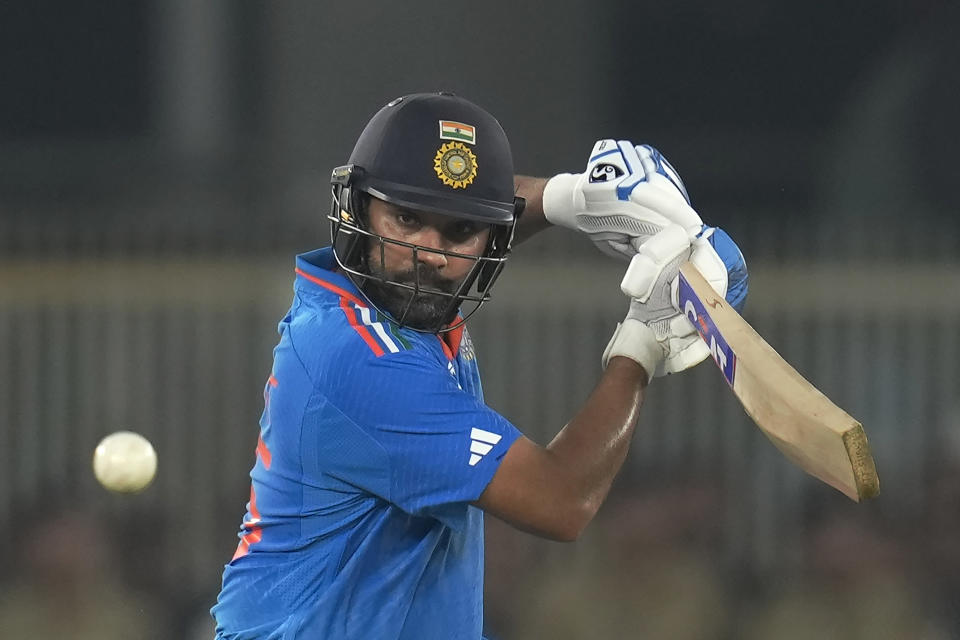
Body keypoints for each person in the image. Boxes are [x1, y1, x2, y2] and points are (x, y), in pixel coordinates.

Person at [211, 91, 748, 639]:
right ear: (356, 207)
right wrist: (645, 337)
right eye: (406, 218)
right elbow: (562, 502)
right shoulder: (360, 361)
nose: (431, 254)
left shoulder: (392, 300)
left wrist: (577, 198)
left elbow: (490, 206)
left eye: (458, 232)